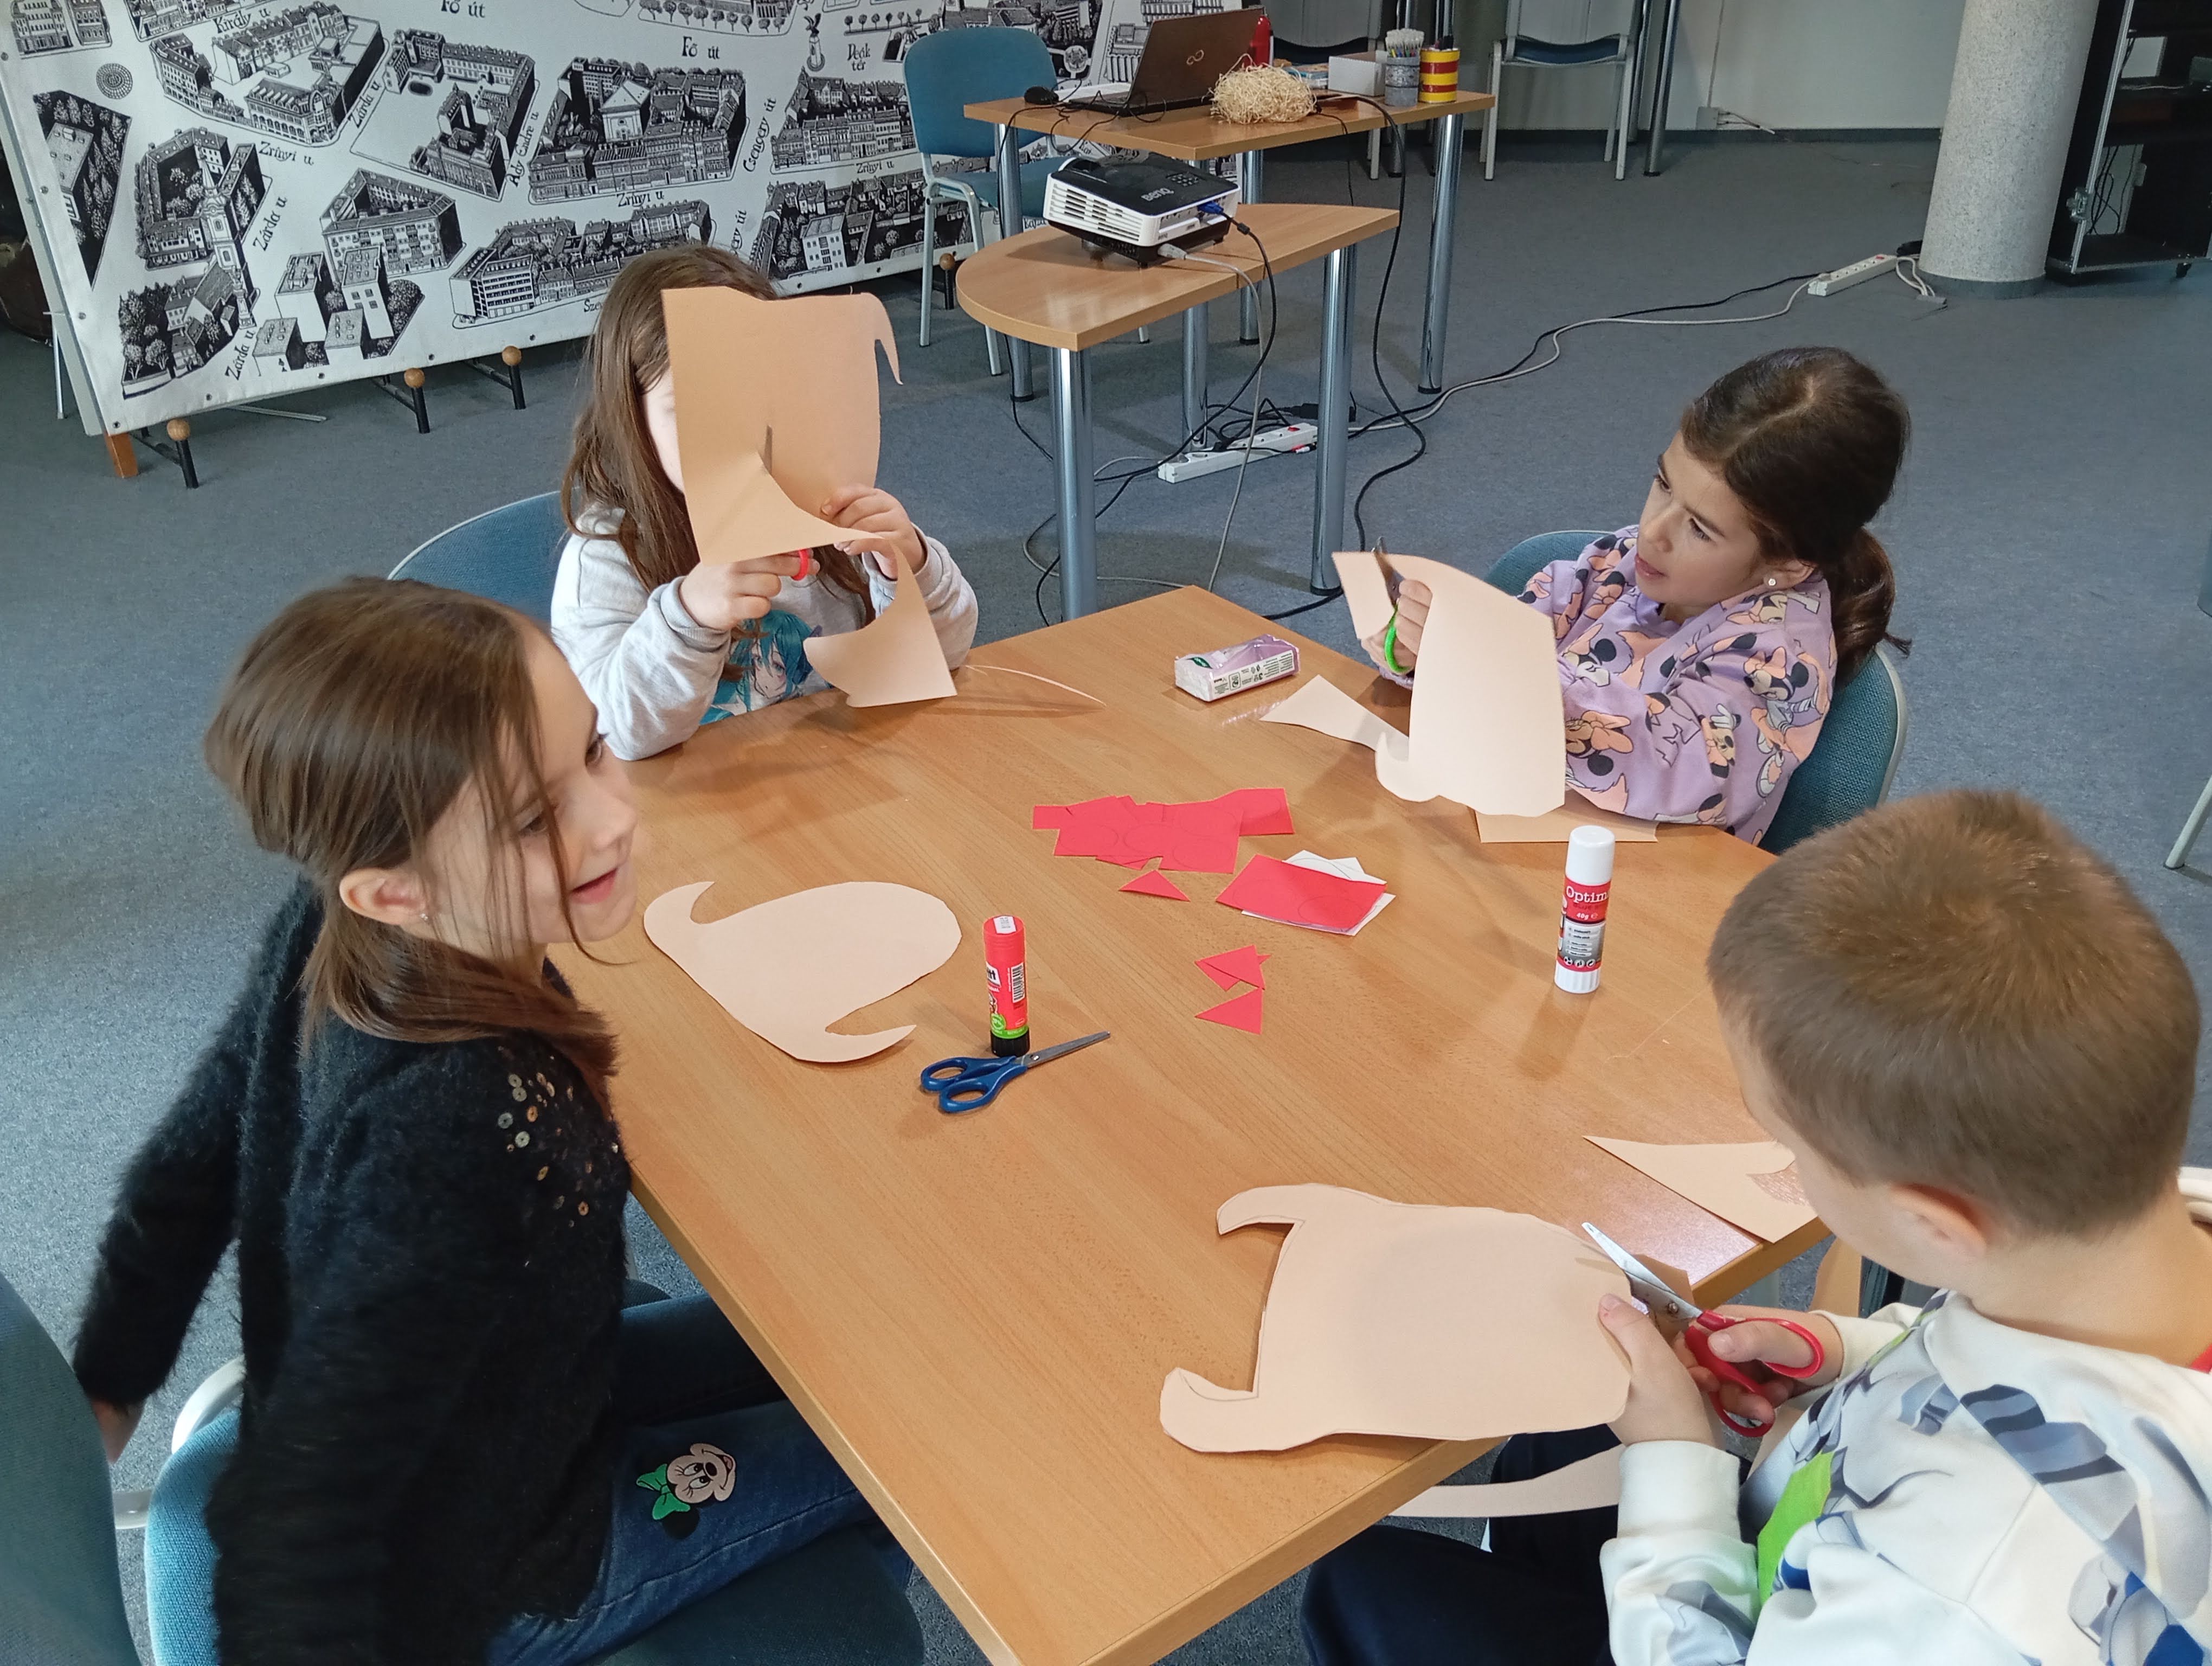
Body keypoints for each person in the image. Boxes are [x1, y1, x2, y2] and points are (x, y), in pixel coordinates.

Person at [72, 580, 895, 1666]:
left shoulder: (330, 932)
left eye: (592, 751)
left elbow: (186, 1175)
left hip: (529, 1410)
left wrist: (106, 1387)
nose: (613, 816)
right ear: (392, 890)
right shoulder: (463, 1127)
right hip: (520, 1567)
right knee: (919, 1456)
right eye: (532, 820)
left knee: (870, 1354)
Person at [1302, 789, 2212, 1665]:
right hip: (1821, 1526)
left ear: (1937, 1224)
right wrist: (1843, 1350)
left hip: (1755, 1624)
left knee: (1359, 1582)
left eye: (1792, 1147)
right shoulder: (2109, 1242)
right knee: (1582, 1411)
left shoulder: (1970, 1587)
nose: (1792, 1168)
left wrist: (1675, 1463)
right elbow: (1988, 1344)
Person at [1365, 348, 1909, 843]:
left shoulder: (1778, 659)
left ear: (1790, 563)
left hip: (1635, 893)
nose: (1653, 531)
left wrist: (1507, 677)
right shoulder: (1618, 562)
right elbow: (1510, 637)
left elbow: (1668, 763)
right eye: (1664, 484)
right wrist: (1428, 651)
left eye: (1700, 529)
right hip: (1513, 832)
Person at [554, 245, 978, 759]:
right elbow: (616, 737)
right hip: (702, 800)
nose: (737, 437)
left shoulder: (818, 503)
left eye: (757, 398)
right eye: (693, 412)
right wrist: (690, 617)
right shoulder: (608, 558)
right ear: (632, 417)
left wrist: (909, 567)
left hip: (841, 780)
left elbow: (941, 659)